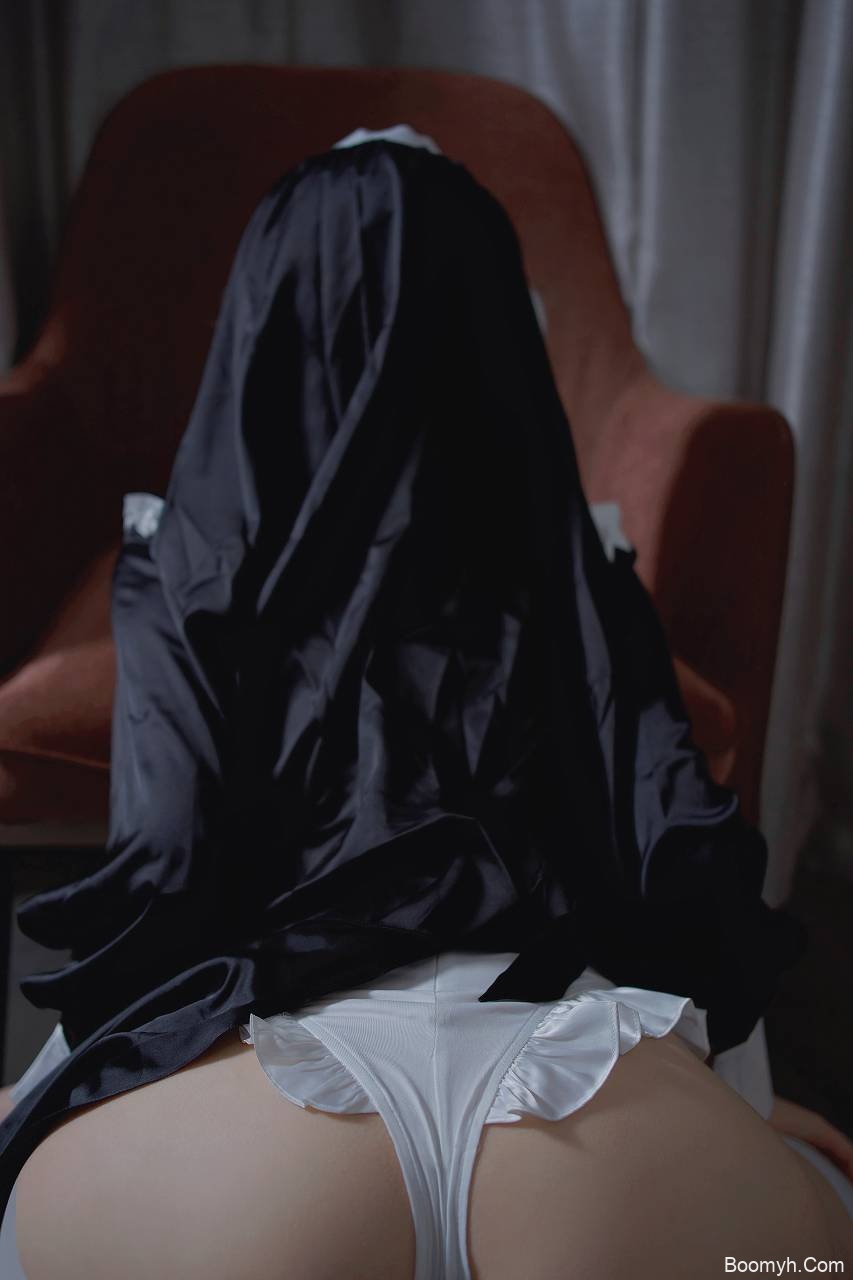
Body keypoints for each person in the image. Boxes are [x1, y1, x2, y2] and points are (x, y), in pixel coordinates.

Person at [1, 125, 851, 1279]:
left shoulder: (186, 565)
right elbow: (676, 848)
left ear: (261, 325)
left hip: (266, 1106)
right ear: (501, 332)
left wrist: (54, 1082)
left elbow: (165, 870)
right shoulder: (583, 565)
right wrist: (737, 1096)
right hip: (597, 1094)